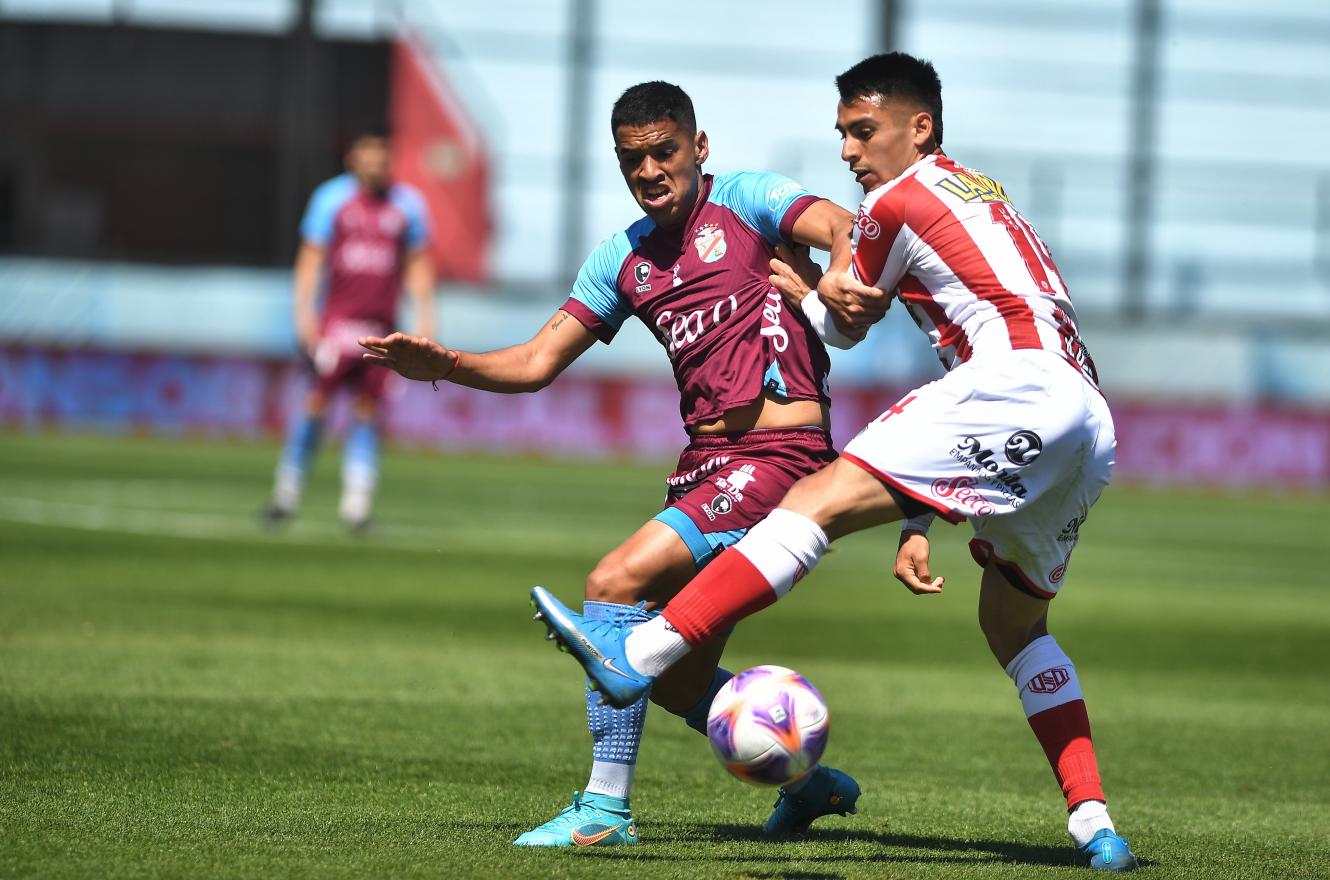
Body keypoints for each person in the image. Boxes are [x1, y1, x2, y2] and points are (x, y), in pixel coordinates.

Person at [531, 54, 1140, 872]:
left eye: (863, 132)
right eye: (843, 136)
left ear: (918, 128)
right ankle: (1094, 823)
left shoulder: (891, 200)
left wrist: (814, 290)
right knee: (1015, 625)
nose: (850, 154)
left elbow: (838, 323)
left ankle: (637, 654)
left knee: (814, 498)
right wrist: (919, 515)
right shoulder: (981, 192)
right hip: (1084, 418)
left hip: (1015, 385)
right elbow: (915, 343)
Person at [360, 81, 863, 847]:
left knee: (611, 587)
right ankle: (809, 783)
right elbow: (534, 361)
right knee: (681, 682)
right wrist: (445, 361)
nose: (651, 169)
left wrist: (839, 278)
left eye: (665, 151)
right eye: (634, 159)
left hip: (779, 457)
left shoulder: (751, 201)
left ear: (698, 148)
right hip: (708, 465)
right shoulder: (623, 259)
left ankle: (602, 812)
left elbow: (838, 223)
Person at [263, 132, 435, 532]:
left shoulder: (408, 205)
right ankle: (285, 496)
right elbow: (310, 259)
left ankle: (356, 508)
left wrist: (426, 315)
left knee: (368, 413)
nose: (375, 163)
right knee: (314, 405)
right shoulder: (330, 199)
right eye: (368, 154)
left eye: (382, 155)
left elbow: (417, 265)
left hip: (381, 332)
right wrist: (303, 314)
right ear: (352, 158)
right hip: (336, 328)